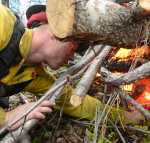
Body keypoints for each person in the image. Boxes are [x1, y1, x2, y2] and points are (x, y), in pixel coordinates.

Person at [0, 4, 144, 130]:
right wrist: (6, 118)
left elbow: (75, 104)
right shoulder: (4, 22)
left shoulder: (33, 75)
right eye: (74, 47)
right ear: (56, 31)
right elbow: (6, 119)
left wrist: (126, 117)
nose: (72, 58)